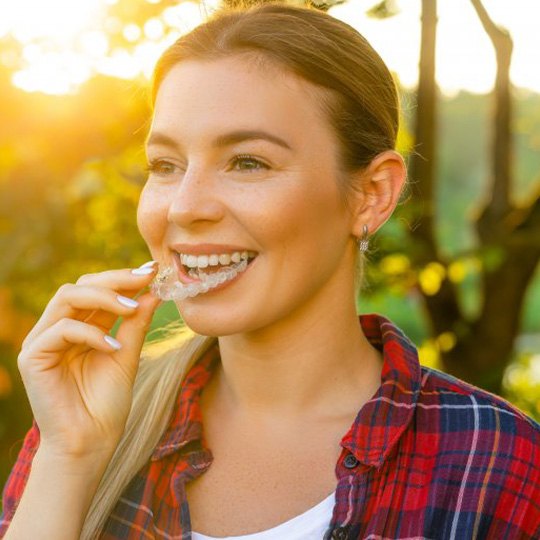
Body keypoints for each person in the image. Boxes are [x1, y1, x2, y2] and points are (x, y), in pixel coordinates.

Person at [1, 3, 539, 539]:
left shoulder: (498, 464)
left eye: (247, 162)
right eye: (166, 165)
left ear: (371, 196)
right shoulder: (85, 424)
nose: (184, 208)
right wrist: (71, 456)